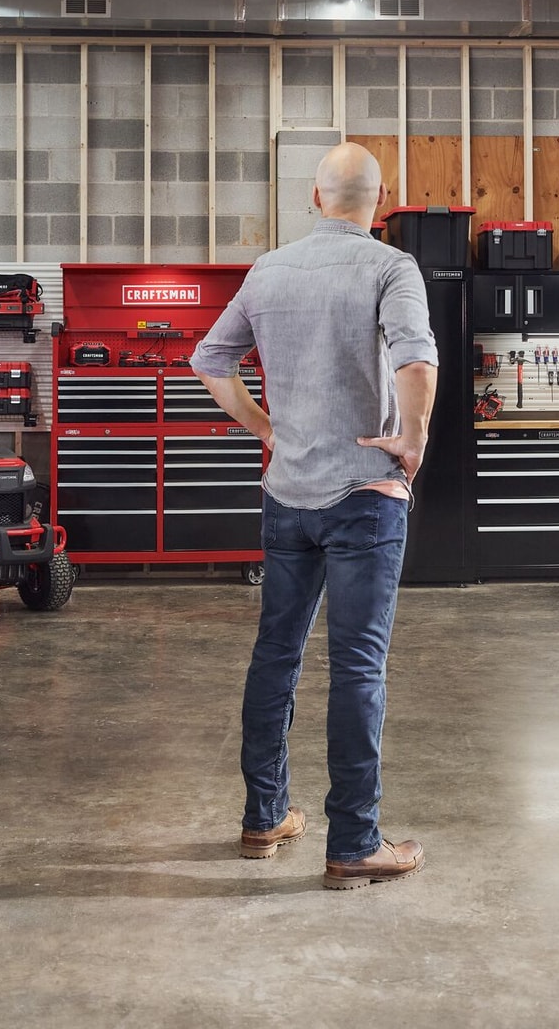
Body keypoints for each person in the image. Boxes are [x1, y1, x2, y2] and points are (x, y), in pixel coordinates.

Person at [192, 142, 438, 890]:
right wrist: (414, 440)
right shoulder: (391, 266)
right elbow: (415, 358)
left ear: (314, 197)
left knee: (277, 653)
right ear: (380, 200)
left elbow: (210, 361)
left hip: (287, 495)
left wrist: (268, 430)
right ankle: (353, 842)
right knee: (358, 665)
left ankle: (264, 817)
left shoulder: (269, 270)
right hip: (365, 493)